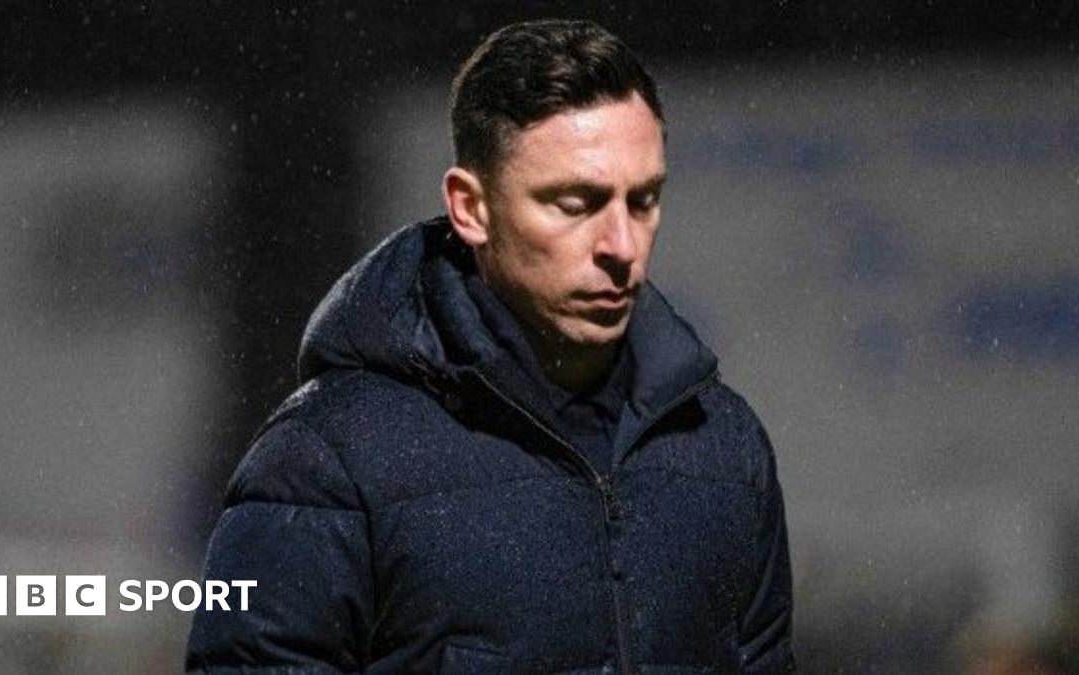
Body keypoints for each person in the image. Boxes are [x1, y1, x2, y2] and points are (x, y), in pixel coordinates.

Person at [186, 19, 794, 674]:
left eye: (643, 200)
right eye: (574, 203)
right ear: (470, 207)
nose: (621, 243)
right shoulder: (327, 462)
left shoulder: (726, 451)